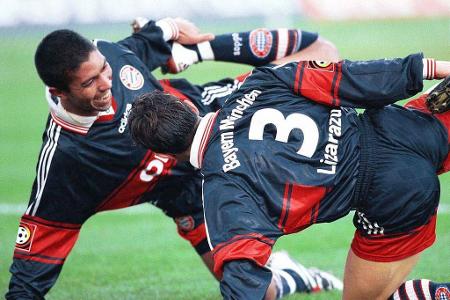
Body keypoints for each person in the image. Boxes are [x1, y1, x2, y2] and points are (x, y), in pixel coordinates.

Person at [6, 17, 342, 299]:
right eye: (90, 82)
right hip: (189, 197)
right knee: (256, 292)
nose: (106, 82)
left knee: (322, 54)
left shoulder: (112, 54)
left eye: (105, 69)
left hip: (213, 114)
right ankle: (290, 275)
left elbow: (161, 34)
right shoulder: (66, 163)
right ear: (58, 93)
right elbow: (28, 276)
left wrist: (190, 46)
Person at [128, 54, 450, 300]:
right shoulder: (260, 82)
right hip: (404, 126)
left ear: (164, 154)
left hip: (394, 195)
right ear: (188, 106)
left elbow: (243, 279)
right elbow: (350, 76)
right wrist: (437, 67)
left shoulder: (222, 191)